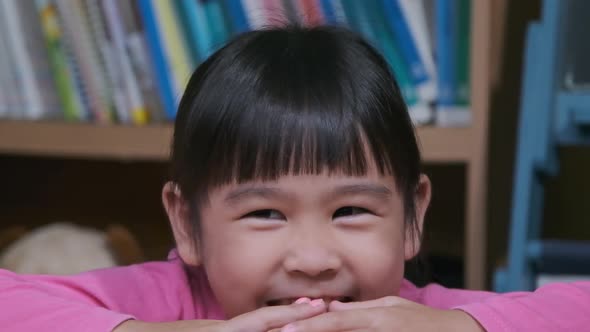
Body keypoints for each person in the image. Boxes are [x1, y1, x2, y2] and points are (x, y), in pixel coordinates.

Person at [1, 25, 589, 332]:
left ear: (412, 218)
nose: (312, 258)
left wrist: (465, 324)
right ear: (188, 223)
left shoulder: (417, 315)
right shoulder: (167, 299)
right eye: (265, 213)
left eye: (351, 210)